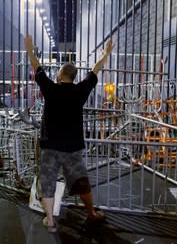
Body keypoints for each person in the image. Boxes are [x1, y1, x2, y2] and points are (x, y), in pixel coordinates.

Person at [24, 34, 113, 233]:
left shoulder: (50, 89)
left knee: (48, 183)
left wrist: (30, 50)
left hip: (50, 146)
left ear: (60, 74)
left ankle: (50, 220)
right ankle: (91, 214)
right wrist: (106, 54)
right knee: (81, 182)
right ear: (74, 77)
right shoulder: (80, 90)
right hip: (72, 147)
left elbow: (36, 66)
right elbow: (95, 71)